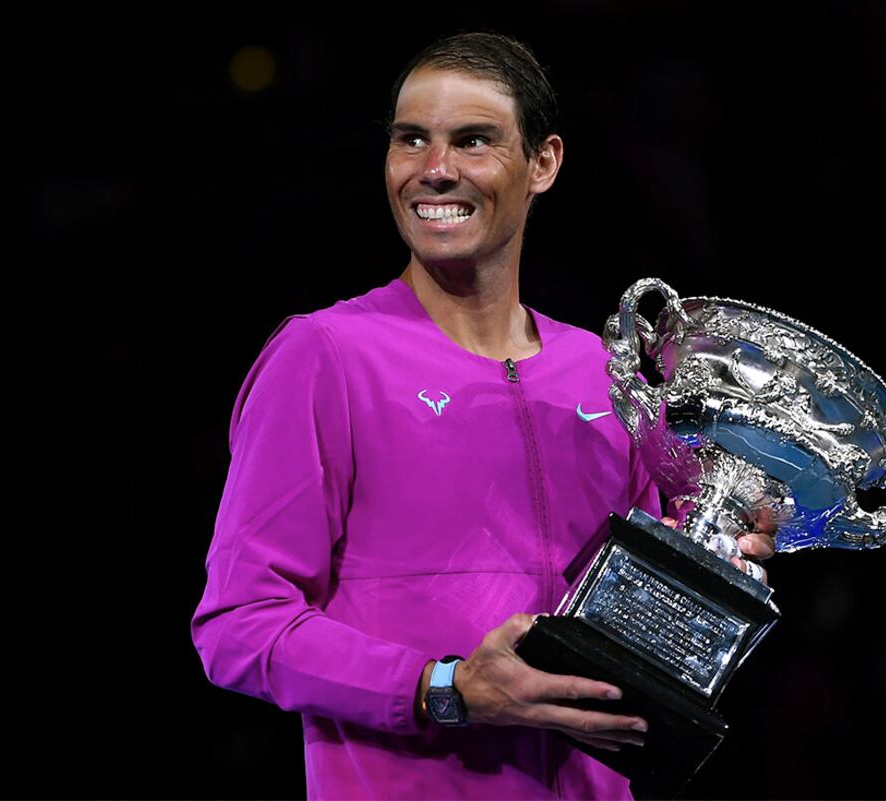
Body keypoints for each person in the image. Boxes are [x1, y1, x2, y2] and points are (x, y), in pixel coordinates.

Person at [190, 32, 775, 799]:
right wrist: (447, 687)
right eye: (411, 140)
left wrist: (717, 554)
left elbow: (646, 621)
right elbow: (239, 624)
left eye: (473, 140)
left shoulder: (609, 377)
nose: (434, 169)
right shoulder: (326, 355)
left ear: (543, 163)